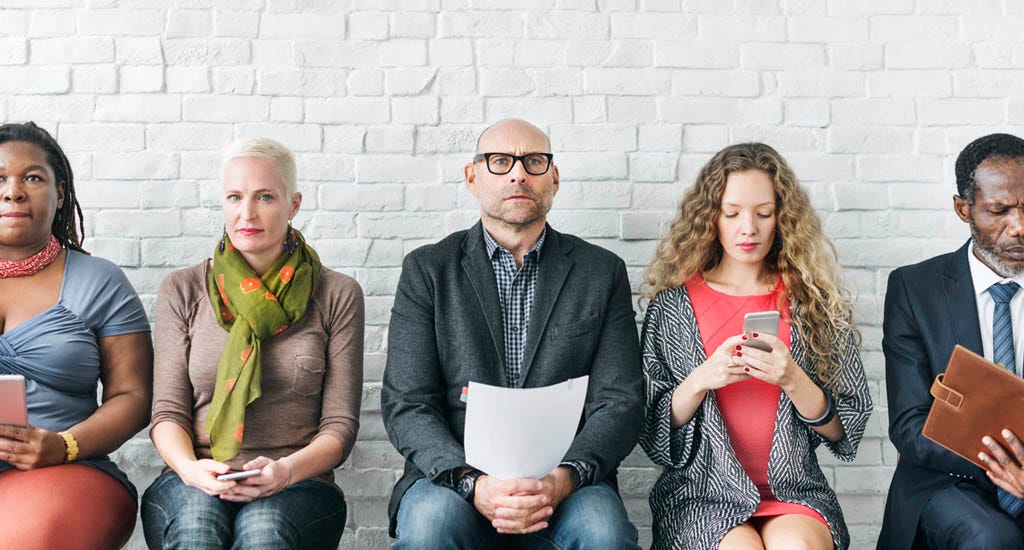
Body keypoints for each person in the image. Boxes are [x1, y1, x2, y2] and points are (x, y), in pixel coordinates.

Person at [381, 118, 643, 549]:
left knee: (603, 532)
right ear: (473, 177)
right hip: (452, 479)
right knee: (429, 525)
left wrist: (562, 480)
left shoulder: (601, 272)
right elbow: (407, 403)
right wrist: (473, 485)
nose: (518, 173)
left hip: (566, 481)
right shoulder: (428, 271)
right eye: (500, 161)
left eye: (533, 161)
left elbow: (620, 402)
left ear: (553, 178)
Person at [638, 142, 872, 550]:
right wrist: (699, 381)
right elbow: (652, 433)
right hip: (700, 496)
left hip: (794, 492)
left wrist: (793, 379)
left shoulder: (811, 302)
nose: (749, 228)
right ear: (710, 217)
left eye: (764, 214)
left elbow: (845, 430)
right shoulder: (672, 306)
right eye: (732, 213)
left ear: (783, 217)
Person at [141, 137, 364, 549]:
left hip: (299, 481)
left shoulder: (337, 293)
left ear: (293, 204)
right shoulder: (183, 288)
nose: (247, 213)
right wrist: (192, 470)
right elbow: (167, 413)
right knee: (196, 529)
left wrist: (285, 471)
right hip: (193, 476)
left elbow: (340, 427)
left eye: (265, 197)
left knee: (263, 533)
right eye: (234, 197)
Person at [0, 122, 153, 549]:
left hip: (66, 470)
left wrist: (64, 445)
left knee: (30, 536)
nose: (13, 191)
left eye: (32, 177)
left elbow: (134, 398)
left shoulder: (100, 281)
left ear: (61, 193)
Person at [879, 133, 1024, 549]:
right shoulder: (914, 289)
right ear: (964, 209)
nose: (1019, 227)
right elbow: (910, 425)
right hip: (947, 479)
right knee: (993, 539)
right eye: (999, 211)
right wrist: (1004, 465)